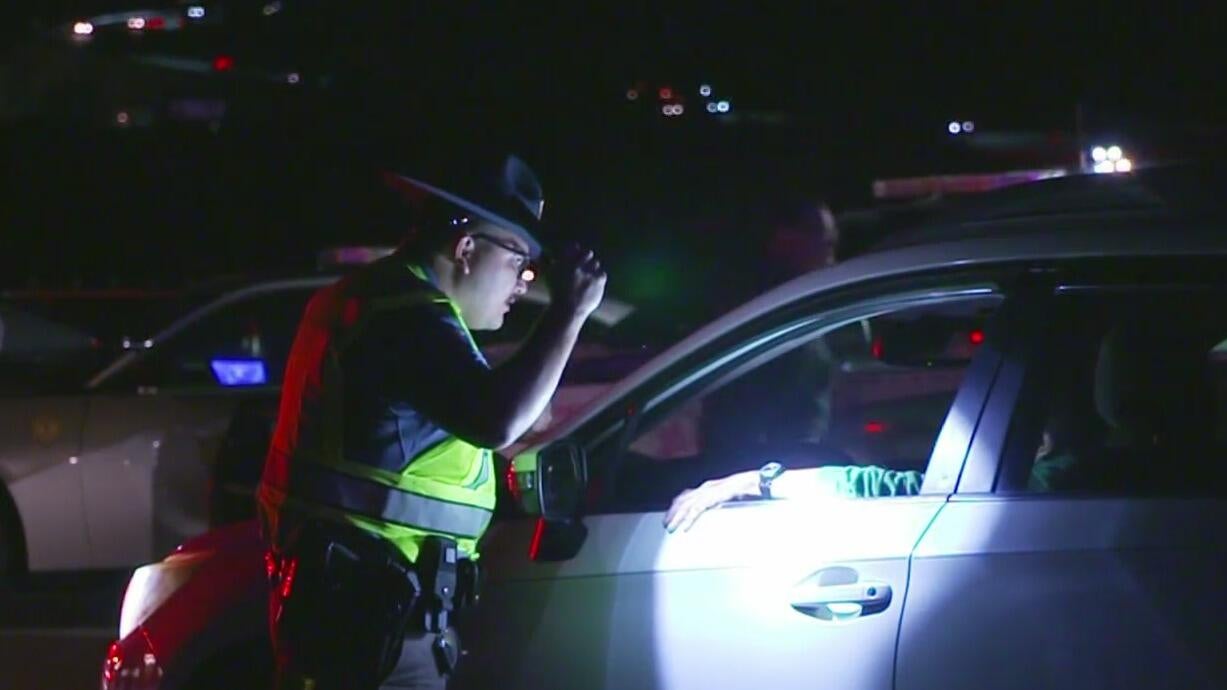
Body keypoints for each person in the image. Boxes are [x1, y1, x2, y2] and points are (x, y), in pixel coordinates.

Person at [257, 153, 607, 689]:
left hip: (358, 617)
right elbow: (497, 419)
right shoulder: (402, 314)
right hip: (369, 626)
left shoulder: (383, 303)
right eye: (518, 260)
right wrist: (569, 312)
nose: (523, 283)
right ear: (465, 249)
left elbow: (438, 433)